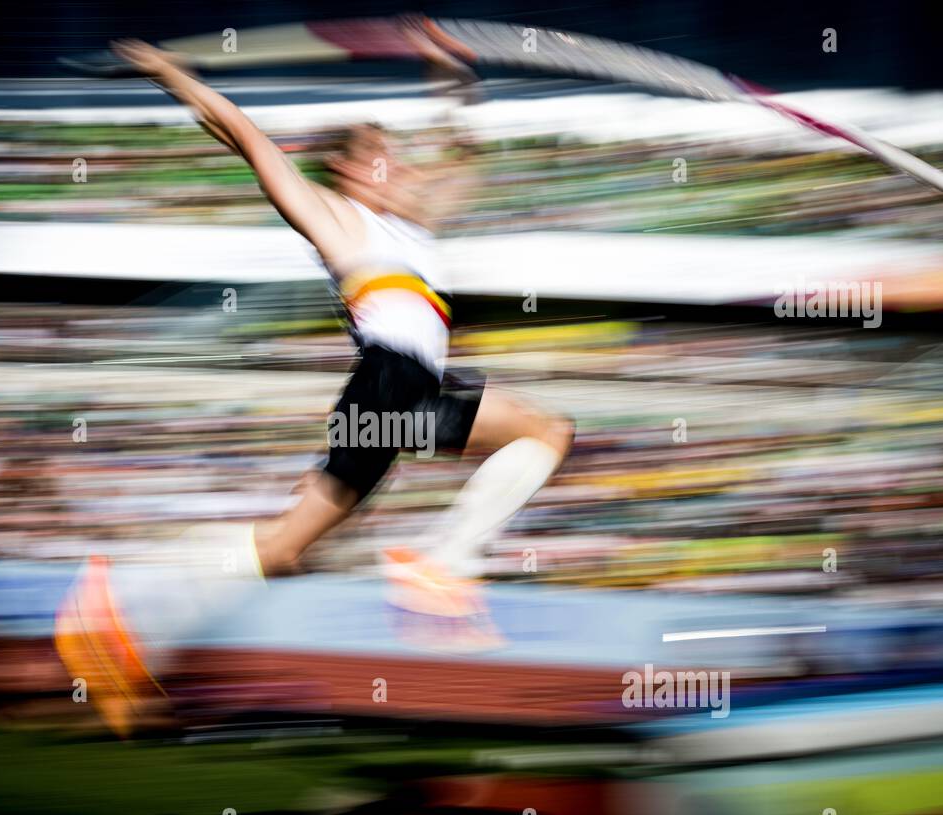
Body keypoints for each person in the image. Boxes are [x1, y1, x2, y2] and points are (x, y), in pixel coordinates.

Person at [55, 34, 572, 734]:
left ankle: (438, 563)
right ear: (349, 170)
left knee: (542, 436)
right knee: (288, 547)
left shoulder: (415, 230)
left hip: (405, 393)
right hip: (387, 383)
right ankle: (122, 599)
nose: (404, 167)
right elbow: (239, 132)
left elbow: (465, 153)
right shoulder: (335, 219)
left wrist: (447, 68)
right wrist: (168, 71)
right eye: (384, 155)